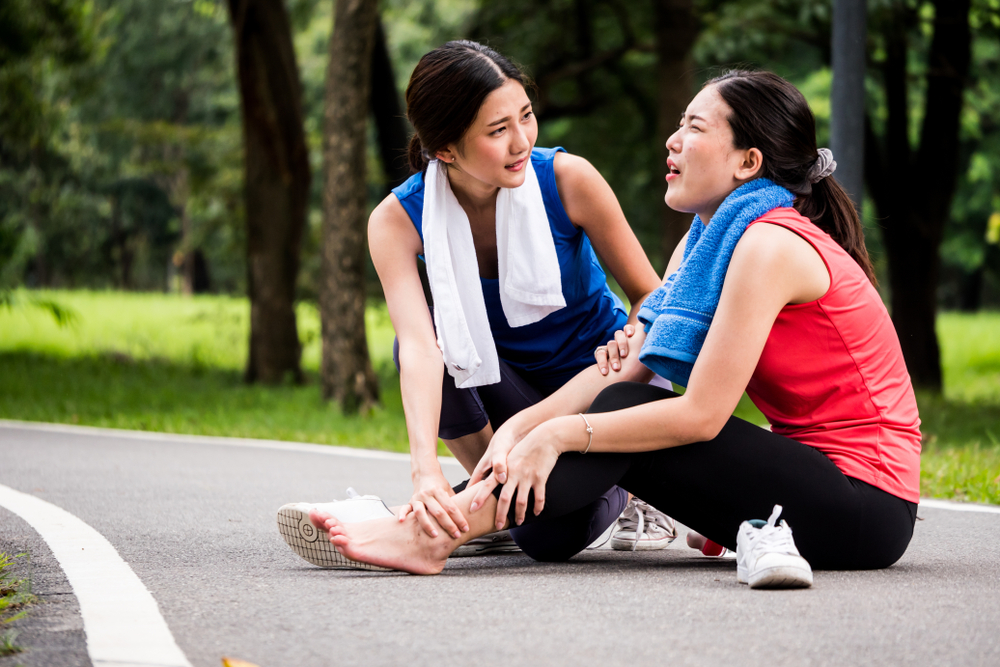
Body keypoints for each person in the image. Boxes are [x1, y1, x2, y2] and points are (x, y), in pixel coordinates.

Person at [306, 69, 922, 588]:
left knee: (616, 418)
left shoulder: (769, 246)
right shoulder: (704, 244)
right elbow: (628, 370)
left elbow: (700, 415)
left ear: (747, 162)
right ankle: (441, 516)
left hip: (867, 503)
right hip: (806, 476)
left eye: (694, 129)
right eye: (679, 124)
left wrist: (562, 435)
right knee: (612, 409)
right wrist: (523, 428)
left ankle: (429, 531)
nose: (672, 142)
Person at [337, 40, 666, 561]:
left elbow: (651, 294)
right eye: (498, 131)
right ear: (445, 149)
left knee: (546, 541)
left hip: (597, 383)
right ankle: (472, 495)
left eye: (526, 117)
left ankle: (623, 489)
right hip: (506, 385)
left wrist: (629, 334)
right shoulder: (397, 220)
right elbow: (421, 350)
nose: (522, 142)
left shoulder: (568, 179)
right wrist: (423, 471)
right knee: (421, 348)